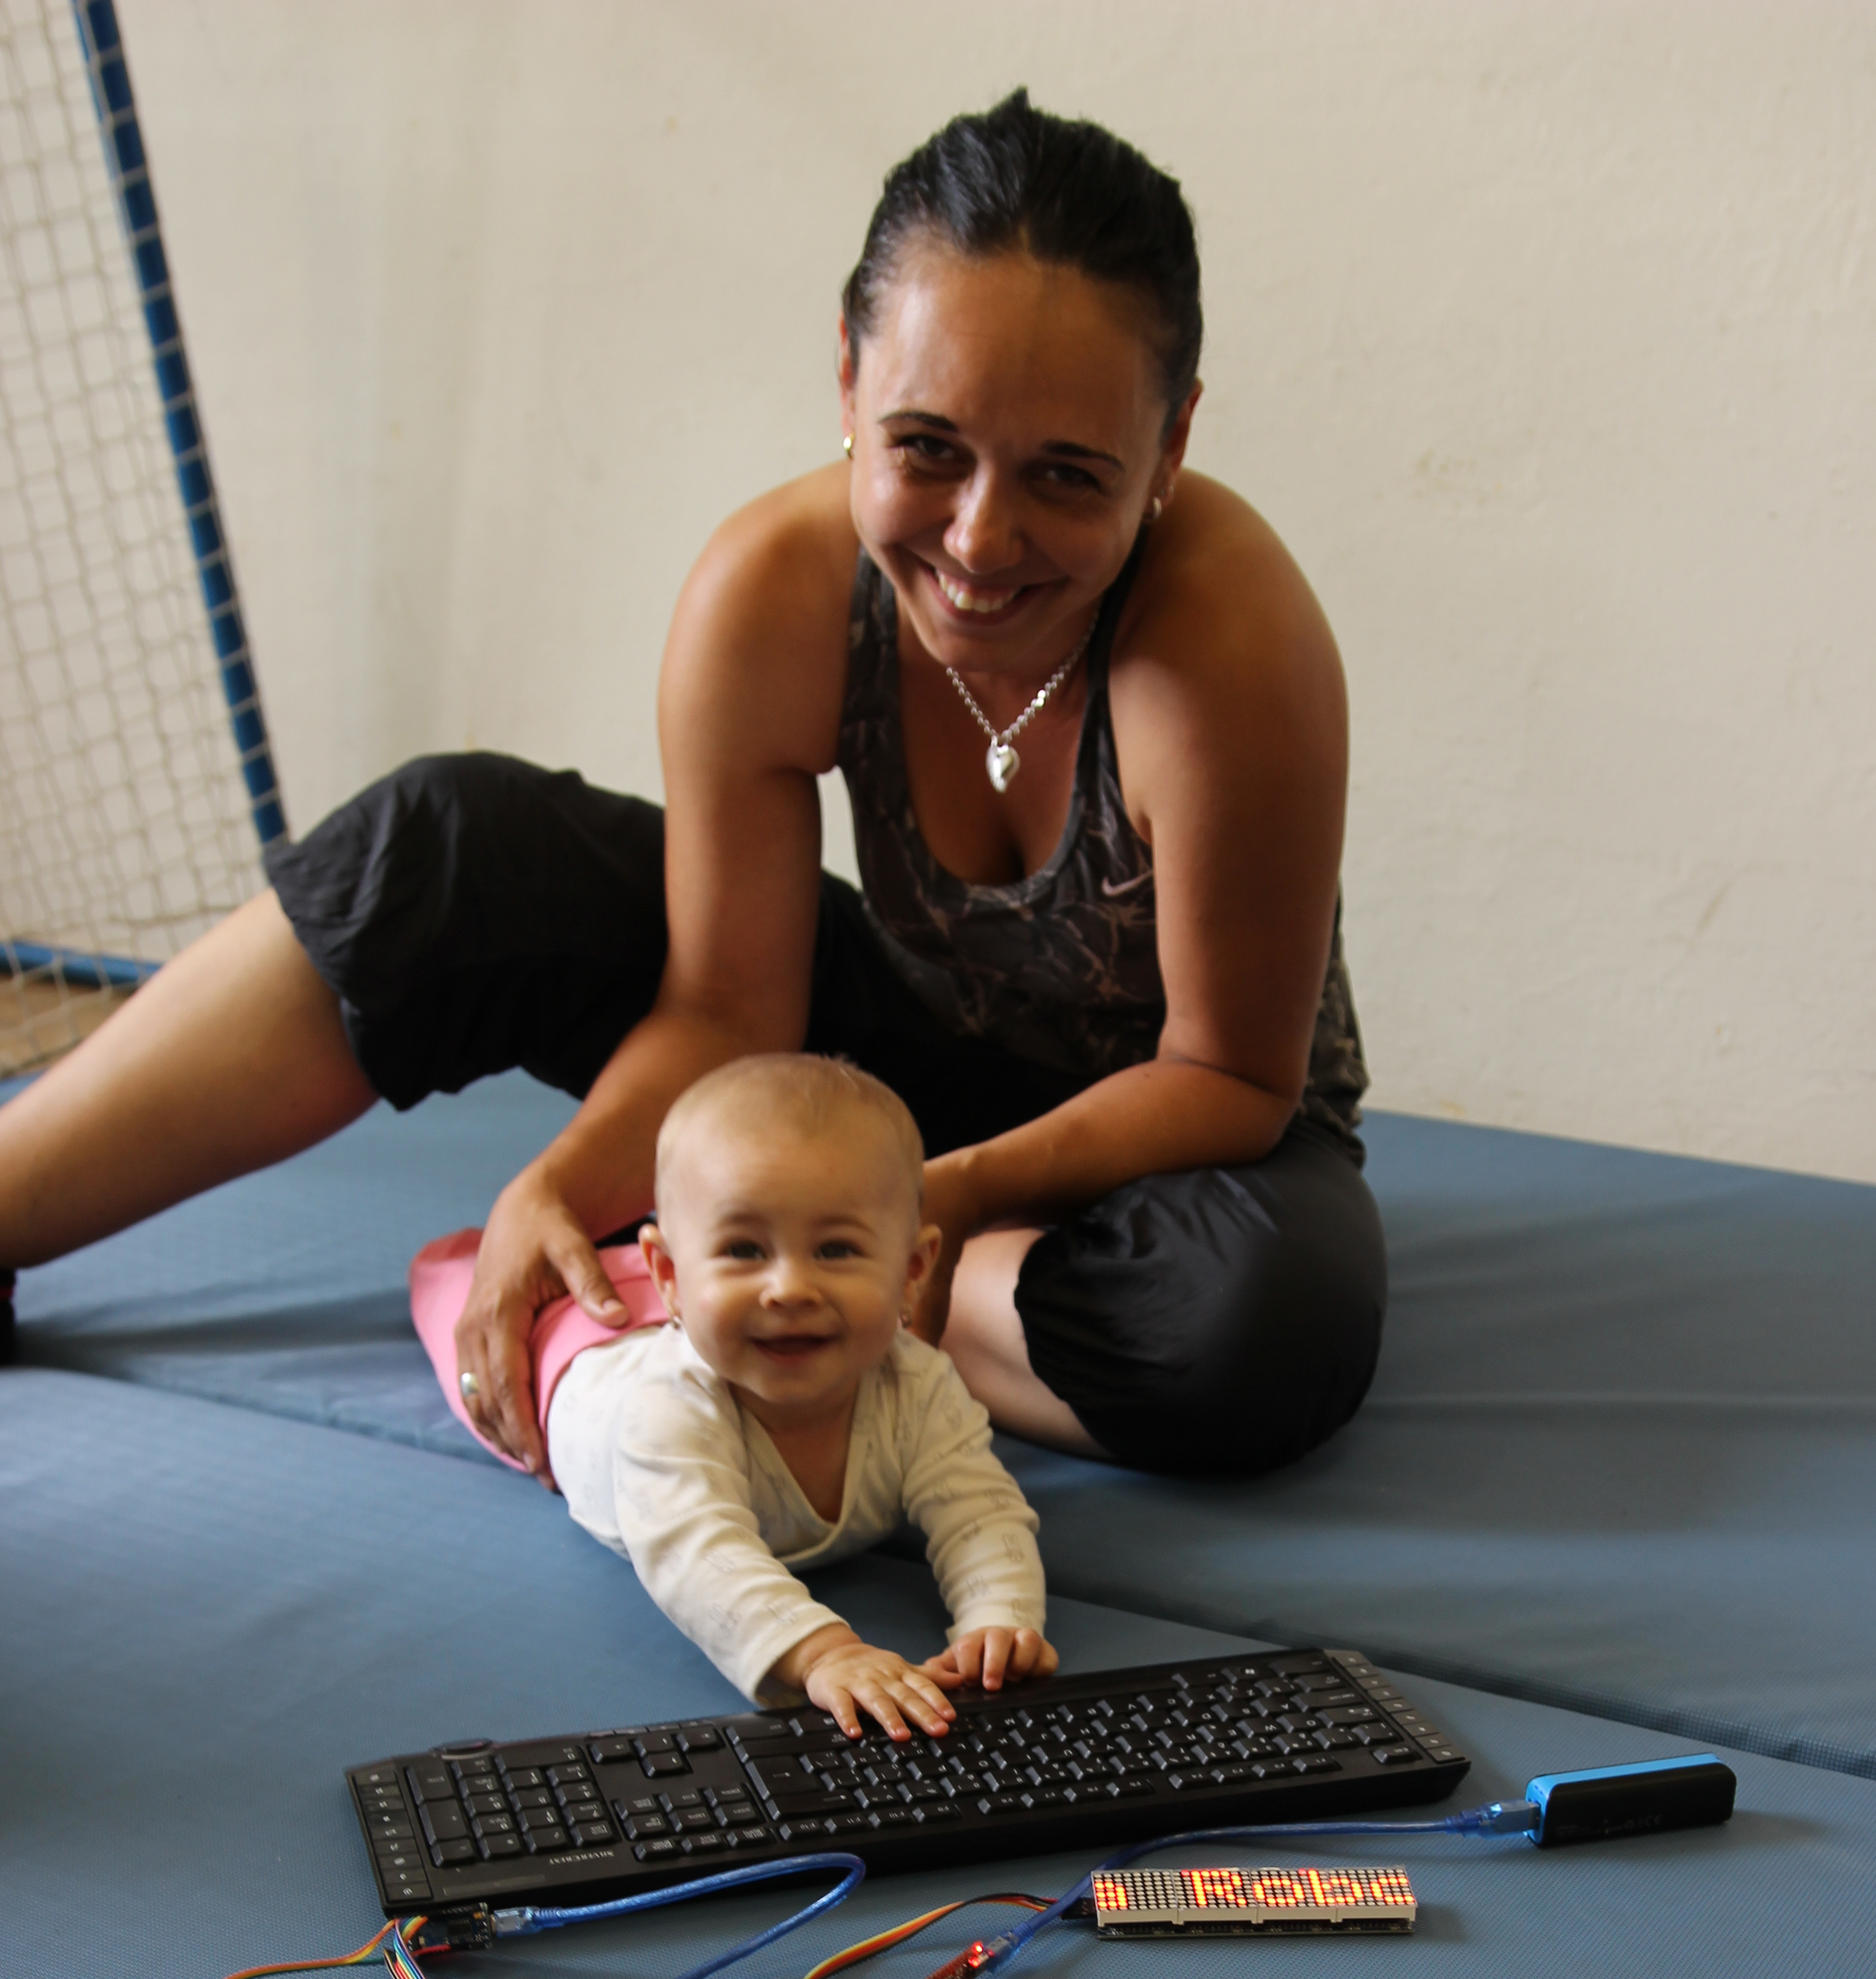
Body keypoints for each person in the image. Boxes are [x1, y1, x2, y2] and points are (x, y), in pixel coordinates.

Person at [0, 90, 1386, 1480]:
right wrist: (556, 1182)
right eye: (927, 449)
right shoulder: (772, 593)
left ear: (1172, 443)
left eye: (1066, 477)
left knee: (1255, 1330)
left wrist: (929, 1201)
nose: (980, 539)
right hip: (889, 1086)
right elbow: (730, 1008)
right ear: (847, 379)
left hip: (1177, 1153)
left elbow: (1227, 1075)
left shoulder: (1229, 642)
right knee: (445, 849)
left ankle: (752, 1264)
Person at [424, 1052, 1052, 1739]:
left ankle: (685, 1267)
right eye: (746, 1249)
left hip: (703, 1318)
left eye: (836, 1250)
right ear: (670, 1273)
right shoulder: (662, 1412)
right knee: (475, 1315)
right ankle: (457, 1264)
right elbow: (701, 1556)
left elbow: (981, 1510)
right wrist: (825, 1653)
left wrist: (1000, 1619)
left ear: (913, 1271)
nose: (790, 1288)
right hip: (576, 1368)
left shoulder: (918, 1384)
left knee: (714, 1306)